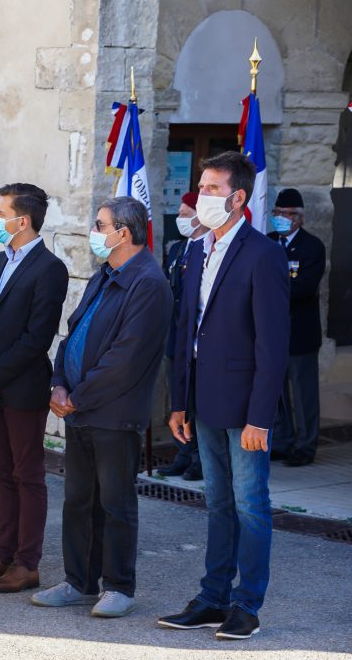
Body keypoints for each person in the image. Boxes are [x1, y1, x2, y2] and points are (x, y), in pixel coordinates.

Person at [159, 152, 290, 640]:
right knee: (217, 503)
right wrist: (179, 402)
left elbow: (272, 344)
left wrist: (261, 418)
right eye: (201, 187)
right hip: (203, 399)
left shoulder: (263, 253)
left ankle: (246, 605)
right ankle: (212, 598)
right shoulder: (196, 249)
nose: (202, 196)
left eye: (212, 189)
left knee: (250, 504)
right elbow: (185, 330)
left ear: (238, 198)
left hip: (245, 405)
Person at [32, 196, 171, 619]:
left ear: (123, 233)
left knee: (115, 504)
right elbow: (73, 333)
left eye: (100, 225)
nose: (94, 232)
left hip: (113, 413)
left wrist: (77, 397)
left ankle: (119, 587)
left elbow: (125, 359)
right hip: (80, 409)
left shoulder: (148, 282)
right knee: (78, 500)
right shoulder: (105, 273)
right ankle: (79, 582)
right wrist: (58, 383)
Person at [0, 183, 67, 594]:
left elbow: (37, 338)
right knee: (0, 473)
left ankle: (26, 563)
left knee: (27, 474)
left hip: (22, 388)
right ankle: (1, 555)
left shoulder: (49, 268)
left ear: (23, 220)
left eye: (1, 213)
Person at [268, 188, 326, 467]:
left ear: (300, 218)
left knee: (304, 395)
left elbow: (303, 287)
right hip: (271, 334)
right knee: (275, 393)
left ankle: (305, 446)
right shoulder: (267, 242)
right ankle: (282, 441)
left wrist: (266, 290)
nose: (282, 217)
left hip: (300, 334)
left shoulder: (312, 246)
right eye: (278, 212)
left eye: (288, 213)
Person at [157, 192, 207, 480]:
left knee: (197, 401)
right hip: (175, 336)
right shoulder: (178, 249)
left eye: (186, 214)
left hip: (195, 339)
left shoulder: (209, 249)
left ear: (201, 216)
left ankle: (200, 458)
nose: (180, 219)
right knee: (177, 397)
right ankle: (183, 453)